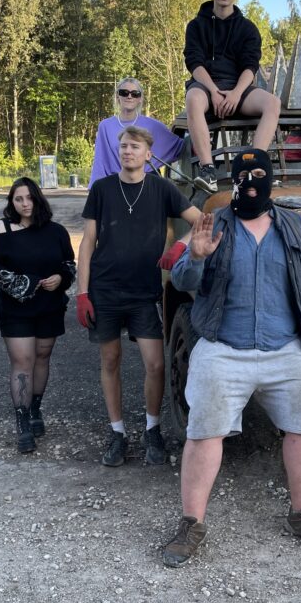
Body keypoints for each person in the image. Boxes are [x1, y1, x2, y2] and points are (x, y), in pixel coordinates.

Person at [162, 148, 301, 568]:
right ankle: (191, 523)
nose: (251, 181)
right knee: (204, 432)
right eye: (243, 174)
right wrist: (196, 256)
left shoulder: (294, 225)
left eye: (260, 173)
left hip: (286, 347)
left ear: (271, 177)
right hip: (223, 345)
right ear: (233, 179)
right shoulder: (214, 222)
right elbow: (181, 280)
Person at [77, 125, 203, 468]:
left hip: (144, 293)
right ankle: (117, 432)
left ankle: (152, 429)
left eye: (134, 147)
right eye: (123, 146)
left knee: (156, 363)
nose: (127, 151)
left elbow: (202, 221)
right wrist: (82, 292)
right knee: (110, 361)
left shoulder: (162, 188)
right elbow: (87, 243)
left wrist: (180, 246)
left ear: (148, 154)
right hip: (104, 290)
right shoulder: (102, 189)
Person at [0, 177, 76, 454]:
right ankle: (22, 421)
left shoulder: (56, 231)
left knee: (42, 358)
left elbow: (69, 264)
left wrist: (60, 278)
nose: (25, 204)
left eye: (30, 198)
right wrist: (28, 283)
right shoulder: (0, 231)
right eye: (18, 199)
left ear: (38, 199)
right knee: (22, 361)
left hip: (50, 306)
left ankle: (35, 409)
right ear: (11, 202)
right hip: (16, 307)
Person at [184, 0, 280, 193]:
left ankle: (253, 166)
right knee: (193, 98)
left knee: (273, 103)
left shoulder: (247, 28)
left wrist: (236, 94)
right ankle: (208, 171)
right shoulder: (196, 26)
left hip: (239, 87)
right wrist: (214, 91)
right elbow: (194, 63)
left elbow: (250, 65)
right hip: (207, 85)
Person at [88, 77, 185, 188]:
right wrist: (94, 190)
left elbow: (181, 147)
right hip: (116, 185)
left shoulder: (154, 126)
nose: (129, 96)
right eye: (124, 93)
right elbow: (100, 162)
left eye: (135, 94)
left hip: (147, 185)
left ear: (140, 99)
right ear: (117, 97)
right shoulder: (105, 126)